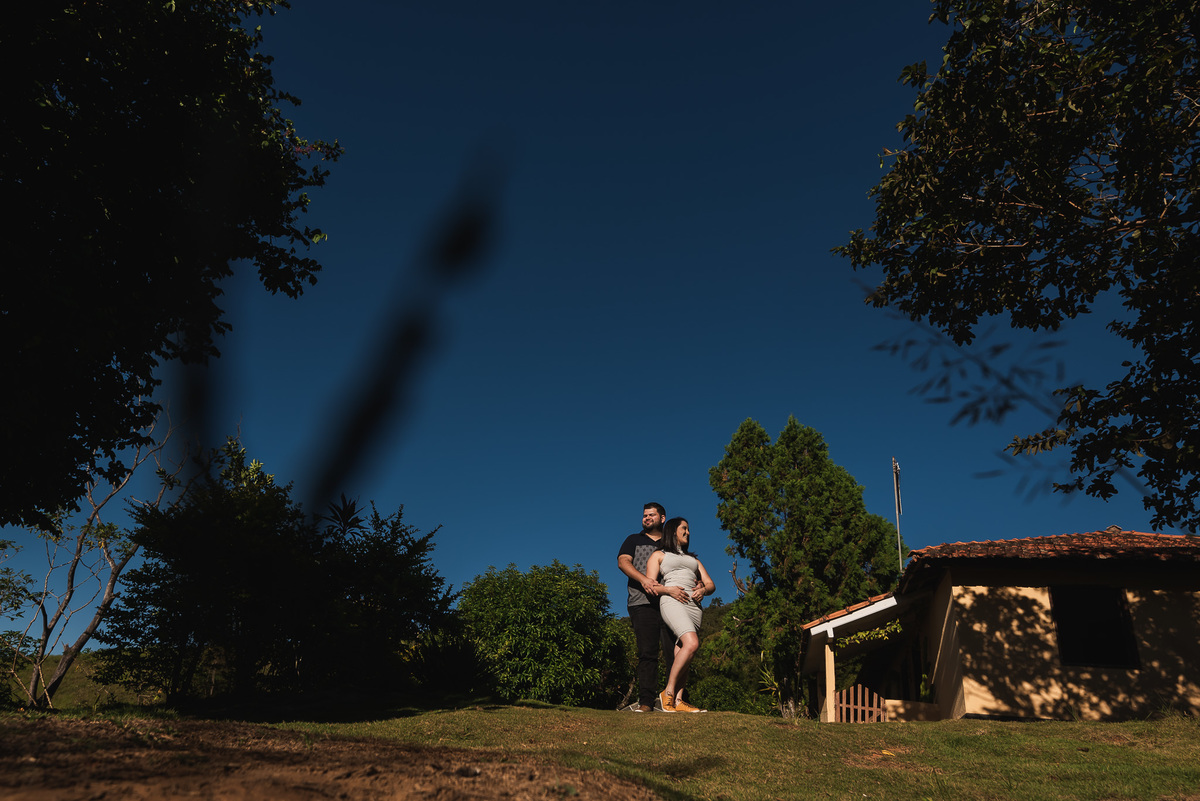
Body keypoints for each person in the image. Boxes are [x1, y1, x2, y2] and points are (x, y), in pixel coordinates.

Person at [617, 502, 690, 712]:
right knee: (647, 653)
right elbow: (623, 562)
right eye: (644, 515)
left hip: (673, 603)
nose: (647, 518)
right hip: (641, 603)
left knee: (674, 653)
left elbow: (686, 565)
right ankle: (647, 703)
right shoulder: (633, 540)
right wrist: (644, 580)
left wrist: (699, 584)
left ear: (663, 518)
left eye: (651, 515)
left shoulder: (671, 543)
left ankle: (674, 700)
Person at [645, 516, 715, 713]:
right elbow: (651, 585)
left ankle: (678, 700)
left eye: (688, 529)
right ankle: (667, 693)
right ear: (673, 530)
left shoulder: (694, 560)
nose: (688, 532)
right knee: (692, 643)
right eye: (684, 528)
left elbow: (710, 584)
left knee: (685, 651)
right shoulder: (659, 555)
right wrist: (669, 590)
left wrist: (702, 590)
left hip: (693, 607)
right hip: (672, 600)